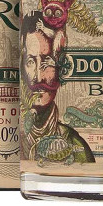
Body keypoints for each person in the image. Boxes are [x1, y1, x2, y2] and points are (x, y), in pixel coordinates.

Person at [20, 11, 94, 164]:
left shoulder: (76, 145)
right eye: (30, 62)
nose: (38, 77)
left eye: (47, 62)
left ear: (61, 69)